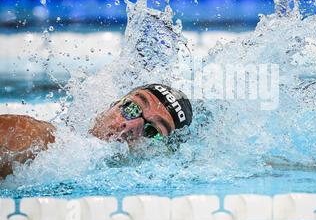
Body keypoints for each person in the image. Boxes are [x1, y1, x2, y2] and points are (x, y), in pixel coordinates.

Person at [0, 84, 193, 179]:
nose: (131, 125)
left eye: (151, 131)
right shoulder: (42, 141)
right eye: (131, 108)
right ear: (112, 105)